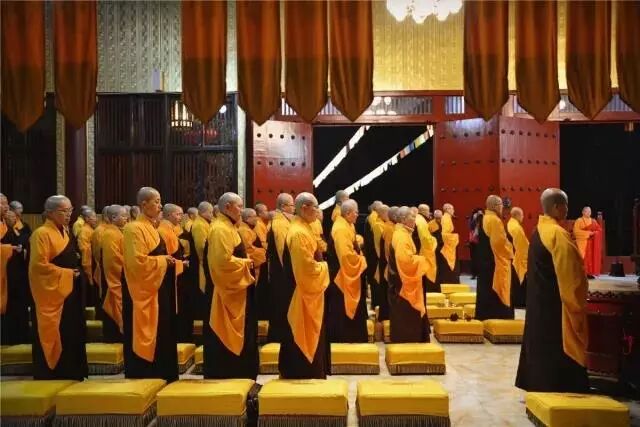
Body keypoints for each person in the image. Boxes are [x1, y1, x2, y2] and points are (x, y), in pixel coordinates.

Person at [516, 188, 589, 393]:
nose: (567, 209)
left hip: (539, 300)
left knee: (540, 341)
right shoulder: (558, 234)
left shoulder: (539, 230)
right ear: (557, 207)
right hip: (555, 306)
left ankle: (539, 382)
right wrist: (577, 303)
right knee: (555, 345)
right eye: (565, 205)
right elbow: (572, 276)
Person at [122, 187, 178, 382]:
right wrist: (163, 261)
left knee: (163, 330)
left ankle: (163, 374)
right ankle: (145, 374)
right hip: (144, 289)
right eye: (157, 201)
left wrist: (170, 262)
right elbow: (136, 263)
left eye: (160, 201)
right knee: (147, 331)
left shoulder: (152, 228)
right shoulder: (133, 229)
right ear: (144, 204)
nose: (160, 206)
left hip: (159, 287)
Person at [29, 195, 88, 380]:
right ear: (50, 212)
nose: (68, 214)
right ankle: (54, 374)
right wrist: (68, 273)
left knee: (71, 331)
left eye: (70, 210)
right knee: (57, 331)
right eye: (64, 211)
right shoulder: (41, 234)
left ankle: (72, 372)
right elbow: (39, 267)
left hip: (69, 291)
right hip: (53, 292)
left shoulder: (65, 231)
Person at [204, 193, 257, 379]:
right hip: (226, 293)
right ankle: (229, 374)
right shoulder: (220, 229)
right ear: (227, 207)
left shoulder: (228, 226)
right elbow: (222, 263)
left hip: (238, 290)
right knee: (226, 336)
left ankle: (241, 375)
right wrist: (246, 263)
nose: (242, 210)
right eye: (239, 206)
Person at [279, 193, 330, 379]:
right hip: (300, 295)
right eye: (315, 207)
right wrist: (325, 267)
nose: (318, 210)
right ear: (304, 208)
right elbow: (306, 270)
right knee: (302, 336)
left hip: (304, 293)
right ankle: (302, 374)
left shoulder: (304, 228)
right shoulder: (299, 233)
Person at [327, 199, 368, 343]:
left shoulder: (348, 224)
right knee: (341, 308)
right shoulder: (340, 229)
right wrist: (361, 260)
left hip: (348, 273)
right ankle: (345, 339)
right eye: (356, 212)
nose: (357, 215)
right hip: (342, 275)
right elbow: (346, 256)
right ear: (348, 213)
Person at [388, 206, 430, 343]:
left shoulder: (403, 233)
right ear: (404, 219)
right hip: (402, 287)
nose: (415, 219)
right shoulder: (401, 236)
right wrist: (422, 260)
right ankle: (408, 345)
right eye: (412, 216)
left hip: (400, 282)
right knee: (406, 319)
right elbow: (406, 261)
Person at [475, 196, 514, 320]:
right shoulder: (495, 221)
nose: (502, 207)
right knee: (495, 293)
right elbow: (500, 244)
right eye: (501, 205)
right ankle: (499, 318)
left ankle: (484, 318)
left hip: (484, 262)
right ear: (495, 206)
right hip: (494, 263)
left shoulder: (484, 218)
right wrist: (511, 250)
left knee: (485, 291)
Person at [158, 204, 191, 342]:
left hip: (177, 274)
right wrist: (181, 263)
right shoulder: (163, 231)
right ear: (169, 215)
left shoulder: (170, 229)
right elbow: (167, 256)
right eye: (178, 214)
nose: (181, 217)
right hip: (170, 277)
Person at [1, 199, 31, 344]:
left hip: (16, 273)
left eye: (6, 204)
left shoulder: (12, 228)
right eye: (3, 204)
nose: (6, 207)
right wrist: (11, 249)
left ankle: (19, 335)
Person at [266, 193, 294, 343]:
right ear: (283, 206)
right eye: (292, 205)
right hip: (282, 274)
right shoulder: (280, 224)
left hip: (281, 272)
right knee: (281, 305)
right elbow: (284, 250)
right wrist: (292, 271)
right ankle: (280, 338)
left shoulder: (282, 220)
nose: (294, 208)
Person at [101, 205, 128, 342]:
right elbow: (113, 259)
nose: (126, 218)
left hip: (122, 276)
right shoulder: (110, 234)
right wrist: (129, 266)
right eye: (123, 216)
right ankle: (114, 338)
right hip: (115, 277)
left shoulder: (118, 232)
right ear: (113, 217)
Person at [191, 201, 214, 318]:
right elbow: (201, 246)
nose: (212, 215)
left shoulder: (204, 223)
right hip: (202, 262)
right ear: (203, 212)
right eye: (210, 212)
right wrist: (205, 262)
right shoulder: (200, 225)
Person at [378, 206, 399, 321]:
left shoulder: (392, 226)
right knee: (387, 294)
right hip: (388, 266)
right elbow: (388, 252)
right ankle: (386, 318)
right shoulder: (389, 228)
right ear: (395, 216)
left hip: (388, 266)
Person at [238, 208, 267, 289]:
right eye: (254, 216)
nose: (256, 218)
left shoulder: (249, 228)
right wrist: (264, 253)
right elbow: (249, 249)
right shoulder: (244, 230)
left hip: (256, 262)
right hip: (252, 264)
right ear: (247, 218)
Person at [573, 206, 602, 279]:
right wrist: (588, 233)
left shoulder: (593, 221)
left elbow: (599, 230)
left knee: (591, 258)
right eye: (587, 211)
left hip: (592, 243)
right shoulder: (579, 220)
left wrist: (594, 233)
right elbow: (576, 232)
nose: (589, 213)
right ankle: (582, 274)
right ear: (583, 212)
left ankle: (589, 273)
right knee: (583, 258)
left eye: (590, 211)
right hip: (583, 242)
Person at [508, 207, 529, 308]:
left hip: (511, 257)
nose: (523, 217)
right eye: (522, 215)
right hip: (517, 258)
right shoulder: (516, 228)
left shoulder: (510, 224)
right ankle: (519, 301)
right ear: (517, 215)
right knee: (518, 282)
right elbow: (522, 246)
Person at [415, 204, 438, 293]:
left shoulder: (419, 219)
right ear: (424, 211)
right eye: (428, 211)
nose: (429, 213)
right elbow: (425, 239)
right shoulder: (421, 222)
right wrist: (434, 240)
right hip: (422, 253)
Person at [363, 201, 382, 310]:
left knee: (374, 279)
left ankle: (376, 302)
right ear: (376, 209)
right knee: (375, 279)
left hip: (371, 254)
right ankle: (376, 303)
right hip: (374, 255)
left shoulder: (371, 217)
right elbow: (377, 239)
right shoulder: (374, 218)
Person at [77, 209, 97, 306]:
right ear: (87, 219)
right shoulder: (84, 231)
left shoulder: (90, 230)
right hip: (88, 263)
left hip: (93, 262)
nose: (96, 219)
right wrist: (87, 267)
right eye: (94, 217)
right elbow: (84, 249)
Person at [254, 202, 270, 320]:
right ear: (259, 213)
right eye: (265, 211)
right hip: (260, 259)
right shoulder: (258, 224)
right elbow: (263, 243)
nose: (267, 212)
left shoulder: (263, 223)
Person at [371, 204, 389, 313]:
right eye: (387, 213)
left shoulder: (384, 223)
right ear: (382, 213)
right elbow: (378, 244)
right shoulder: (378, 225)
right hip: (380, 258)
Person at [468, 208, 483, 280]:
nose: (479, 215)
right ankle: (473, 274)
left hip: (481, 242)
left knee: (480, 258)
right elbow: (471, 227)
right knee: (473, 258)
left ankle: (480, 274)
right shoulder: (472, 220)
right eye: (477, 214)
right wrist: (474, 219)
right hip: (473, 242)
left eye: (480, 214)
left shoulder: (483, 220)